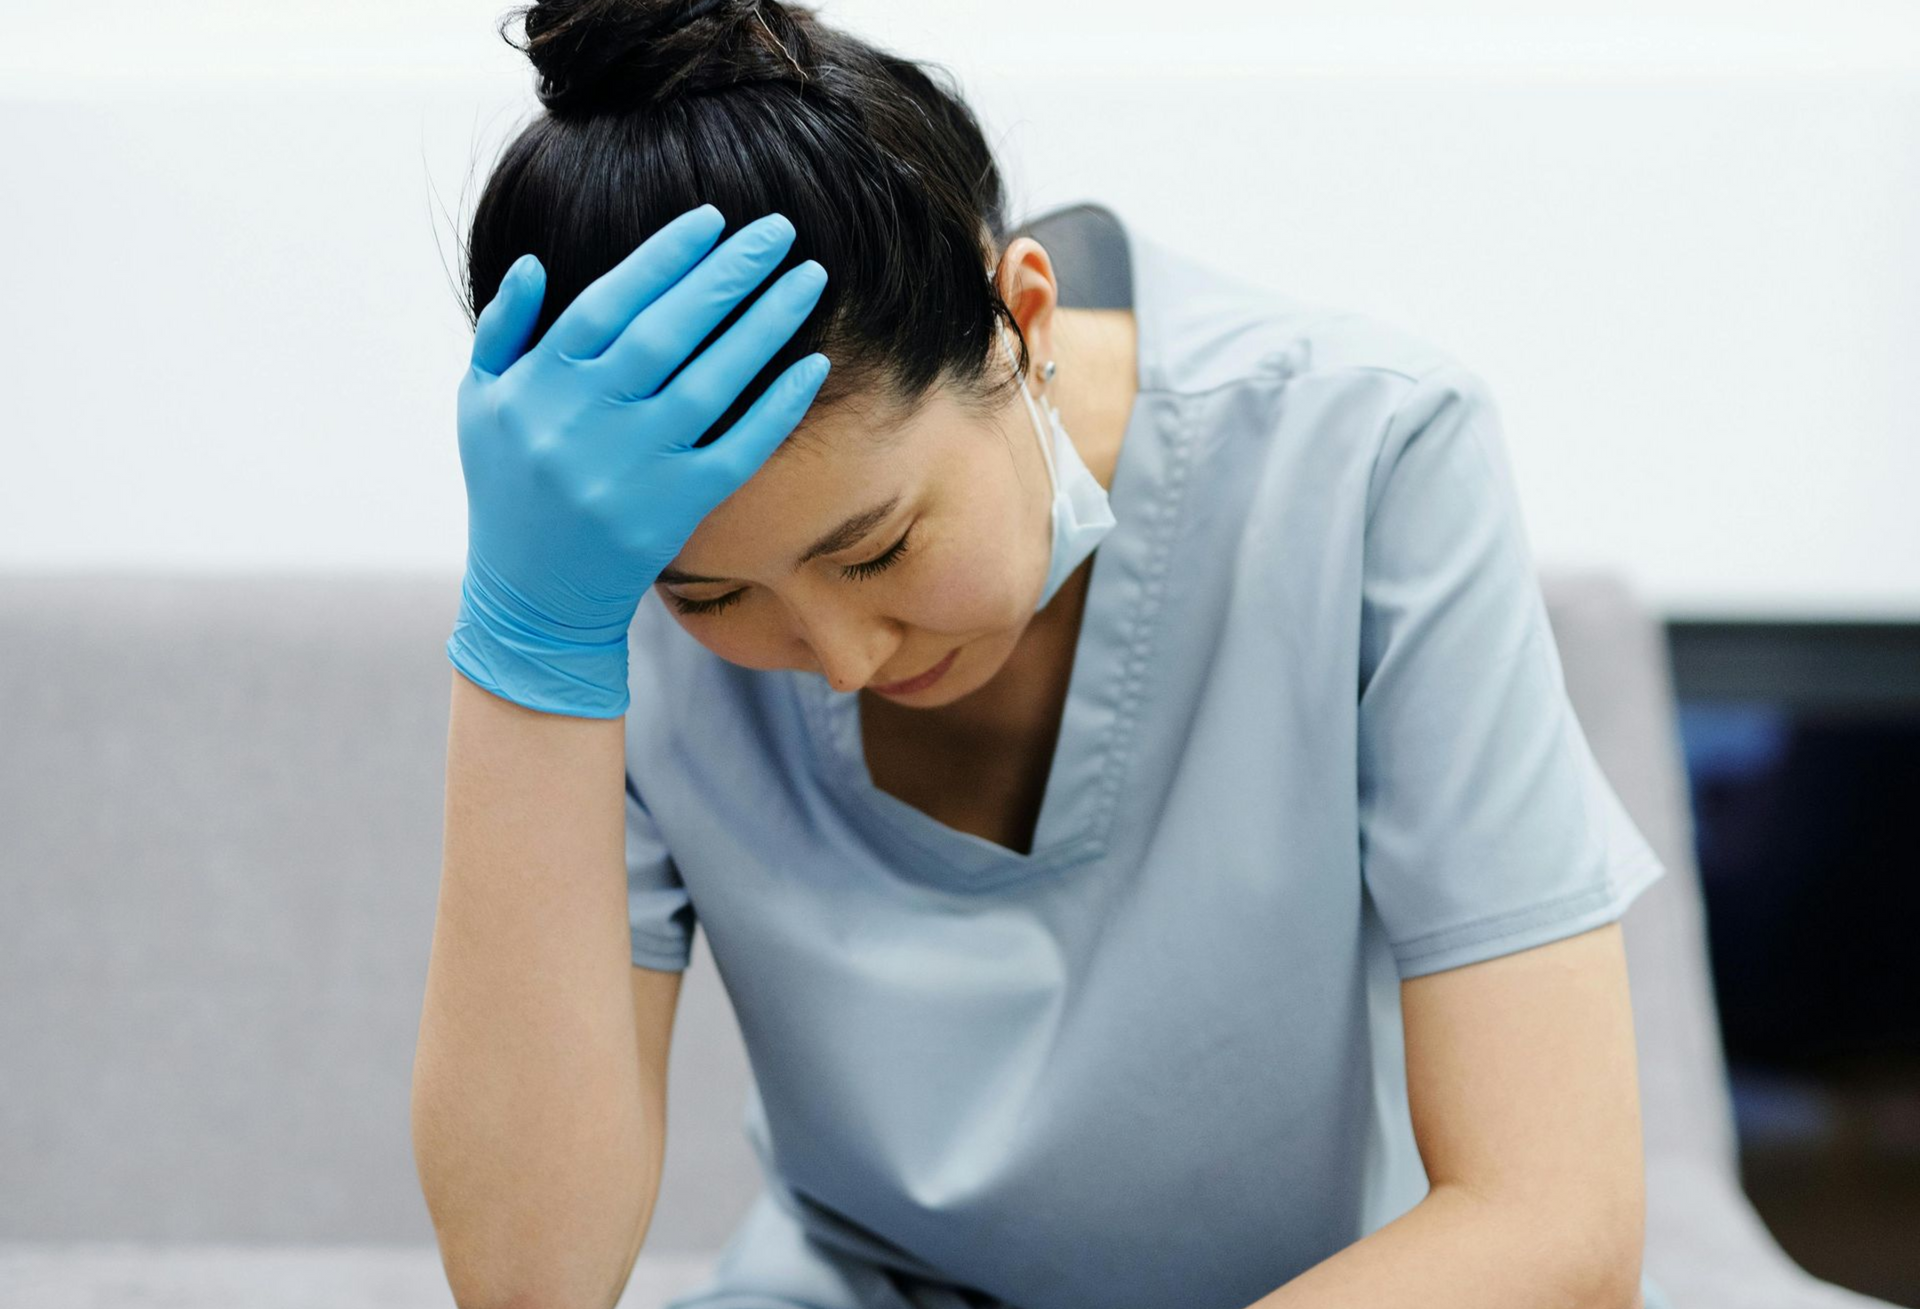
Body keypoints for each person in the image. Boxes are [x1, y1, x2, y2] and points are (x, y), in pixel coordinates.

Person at [413, 2, 1676, 1307]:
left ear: (1020, 317)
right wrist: (531, 641)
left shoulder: (1366, 460)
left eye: (878, 549)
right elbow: (527, 1286)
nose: (837, 659)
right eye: (717, 596)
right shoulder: (602, 577)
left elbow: (1556, 1225)